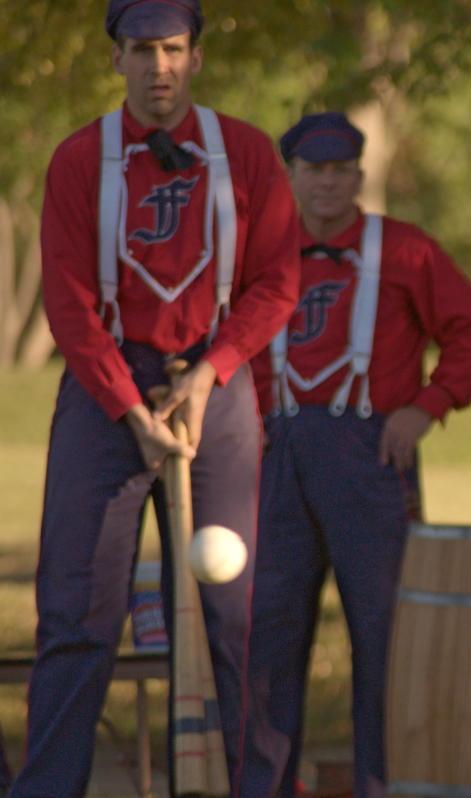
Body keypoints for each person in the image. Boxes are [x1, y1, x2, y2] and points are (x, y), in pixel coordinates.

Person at [10, 1, 300, 795]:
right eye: (142, 50)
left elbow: (278, 279)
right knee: (77, 618)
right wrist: (130, 411)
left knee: (229, 620)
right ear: (118, 61)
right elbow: (69, 301)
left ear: (196, 58)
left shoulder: (243, 153)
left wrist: (212, 374)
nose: (159, 66)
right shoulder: (79, 160)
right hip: (109, 393)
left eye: (173, 49)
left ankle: (237, 788)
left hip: (217, 381)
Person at [240, 112, 471, 798]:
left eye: (341, 170)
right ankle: (261, 785)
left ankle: (382, 785)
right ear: (290, 176)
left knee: (384, 634)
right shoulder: (256, 250)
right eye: (313, 170)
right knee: (268, 633)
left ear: (359, 176)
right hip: (278, 454)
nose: (328, 182)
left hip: (371, 456)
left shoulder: (406, 250)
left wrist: (426, 407)